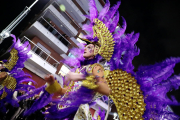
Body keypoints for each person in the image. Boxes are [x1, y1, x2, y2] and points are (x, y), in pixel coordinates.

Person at [19, 0, 180, 119]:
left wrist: (82, 78)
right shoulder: (79, 69)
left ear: (97, 51)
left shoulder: (96, 69)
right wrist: (53, 83)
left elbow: (105, 89)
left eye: (89, 47)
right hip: (63, 111)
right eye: (86, 46)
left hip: (78, 115)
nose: (85, 48)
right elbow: (64, 92)